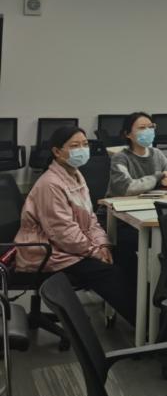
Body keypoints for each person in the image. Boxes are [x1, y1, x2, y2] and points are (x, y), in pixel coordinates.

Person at [14, 126, 136, 323]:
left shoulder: (76, 175)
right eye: (74, 145)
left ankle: (149, 320)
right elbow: (62, 233)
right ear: (57, 151)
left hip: (69, 247)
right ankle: (142, 326)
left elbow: (90, 219)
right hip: (47, 251)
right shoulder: (50, 184)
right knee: (107, 272)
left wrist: (103, 245)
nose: (82, 149)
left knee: (125, 255)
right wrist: (95, 252)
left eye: (85, 144)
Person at [108, 112, 167, 196]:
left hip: (152, 201)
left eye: (151, 127)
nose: (148, 131)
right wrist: (158, 178)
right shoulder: (120, 158)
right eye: (142, 128)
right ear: (127, 134)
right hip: (122, 203)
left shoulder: (156, 153)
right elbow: (126, 188)